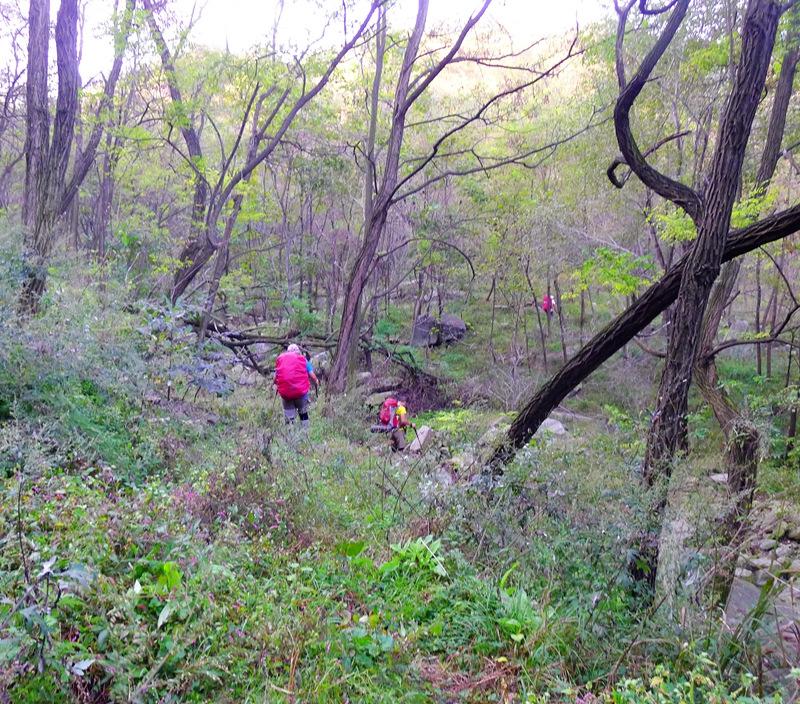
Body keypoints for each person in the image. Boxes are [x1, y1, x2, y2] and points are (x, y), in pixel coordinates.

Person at [274, 344, 319, 429]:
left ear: (287, 352)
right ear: (298, 351)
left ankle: (290, 436)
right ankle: (305, 434)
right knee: (303, 414)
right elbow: (311, 374)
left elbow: (275, 378)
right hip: (301, 394)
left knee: (289, 418)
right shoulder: (303, 360)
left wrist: (278, 384)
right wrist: (316, 381)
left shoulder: (283, 361)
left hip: (286, 395)